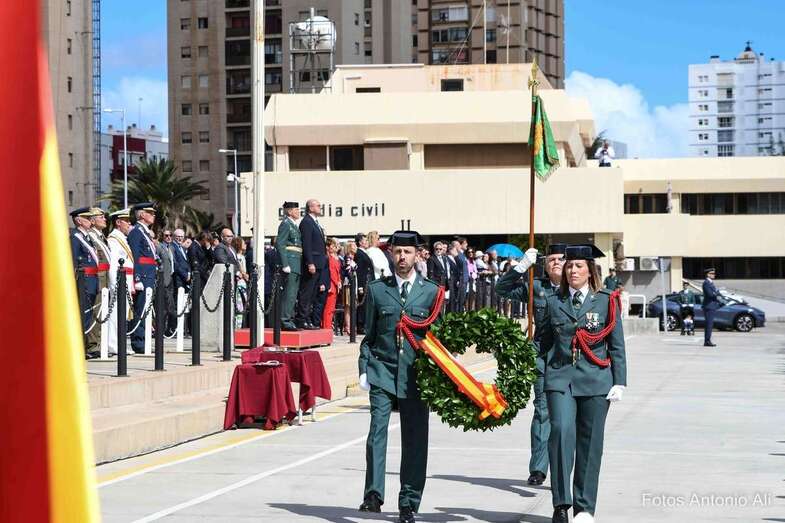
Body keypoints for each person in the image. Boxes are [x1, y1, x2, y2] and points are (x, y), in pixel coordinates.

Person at [537, 244, 627, 523]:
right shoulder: (554, 301)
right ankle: (561, 504)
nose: (572, 270)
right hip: (560, 378)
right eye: (569, 266)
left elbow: (617, 345)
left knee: (590, 445)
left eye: (578, 266)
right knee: (561, 432)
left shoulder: (606, 301)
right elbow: (541, 342)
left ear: (590, 271)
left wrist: (620, 382)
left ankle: (584, 508)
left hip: (596, 381)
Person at [358, 230, 439, 523]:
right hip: (382, 369)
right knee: (376, 433)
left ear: (418, 255)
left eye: (407, 252)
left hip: (416, 375)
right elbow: (368, 335)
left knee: (415, 439)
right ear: (391, 254)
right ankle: (373, 494)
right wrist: (364, 369)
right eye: (397, 252)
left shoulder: (431, 292)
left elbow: (438, 340)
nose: (402, 257)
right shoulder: (378, 290)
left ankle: (408, 501)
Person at [496, 243, 567, 488]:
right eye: (551, 260)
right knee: (542, 410)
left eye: (561, 259)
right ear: (545, 266)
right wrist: (522, 267)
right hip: (541, 356)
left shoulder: (577, 289)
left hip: (568, 360)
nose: (556, 262)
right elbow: (501, 289)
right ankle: (538, 468)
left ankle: (563, 467)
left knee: (567, 418)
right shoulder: (536, 287)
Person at [127, 202, 159, 354]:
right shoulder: (136, 232)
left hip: (150, 274)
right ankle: (138, 342)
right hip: (143, 276)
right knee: (141, 309)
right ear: (141, 215)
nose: (153, 215)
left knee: (147, 309)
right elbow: (135, 256)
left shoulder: (144, 232)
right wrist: (137, 278)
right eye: (150, 213)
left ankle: (144, 339)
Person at [70, 206, 100, 358]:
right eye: (87, 218)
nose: (90, 220)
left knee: (88, 317)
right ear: (78, 220)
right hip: (84, 282)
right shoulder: (75, 237)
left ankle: (85, 347)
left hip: (92, 281)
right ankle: (80, 349)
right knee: (83, 316)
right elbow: (74, 262)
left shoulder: (86, 237)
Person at [106, 208, 134, 356]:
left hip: (126, 280)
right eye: (126, 221)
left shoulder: (122, 238)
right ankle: (113, 344)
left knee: (122, 314)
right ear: (118, 222)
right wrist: (114, 285)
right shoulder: (113, 239)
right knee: (115, 313)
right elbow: (113, 265)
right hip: (119, 281)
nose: (129, 224)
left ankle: (120, 343)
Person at [296, 199, 327, 330]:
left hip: (319, 262)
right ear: (310, 207)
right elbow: (307, 244)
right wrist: (310, 262)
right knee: (307, 292)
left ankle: (307, 319)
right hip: (313, 262)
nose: (320, 207)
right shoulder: (307, 222)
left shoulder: (315, 222)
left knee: (313, 294)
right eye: (318, 205)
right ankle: (301, 319)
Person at [275, 201, 303, 331]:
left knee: (293, 293)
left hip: (296, 261)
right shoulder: (286, 224)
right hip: (290, 262)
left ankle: (289, 318)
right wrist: (285, 264)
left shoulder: (293, 225)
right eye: (296, 210)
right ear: (290, 211)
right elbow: (280, 244)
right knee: (289, 292)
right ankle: (285, 320)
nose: (298, 212)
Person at [156, 230, 176, 335]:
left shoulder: (171, 248)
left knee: (171, 307)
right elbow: (156, 259)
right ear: (162, 236)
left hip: (171, 279)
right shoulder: (159, 247)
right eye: (166, 235)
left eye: (170, 235)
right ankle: (161, 330)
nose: (168, 237)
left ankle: (169, 329)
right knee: (164, 307)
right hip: (163, 280)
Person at [321, 237, 342, 331]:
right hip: (331, 284)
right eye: (333, 245)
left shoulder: (336, 258)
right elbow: (331, 271)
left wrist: (339, 280)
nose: (334, 247)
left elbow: (338, 272)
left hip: (335, 284)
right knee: (328, 308)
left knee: (331, 308)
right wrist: (336, 282)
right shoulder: (329, 258)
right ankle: (326, 327)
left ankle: (328, 326)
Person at [702, 268, 721, 347]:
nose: (714, 275)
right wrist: (717, 292)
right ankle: (707, 341)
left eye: (714, 273)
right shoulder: (706, 283)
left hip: (711, 306)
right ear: (708, 274)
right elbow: (710, 294)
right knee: (709, 324)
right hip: (709, 306)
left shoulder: (710, 283)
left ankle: (708, 340)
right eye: (712, 273)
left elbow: (713, 294)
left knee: (710, 324)